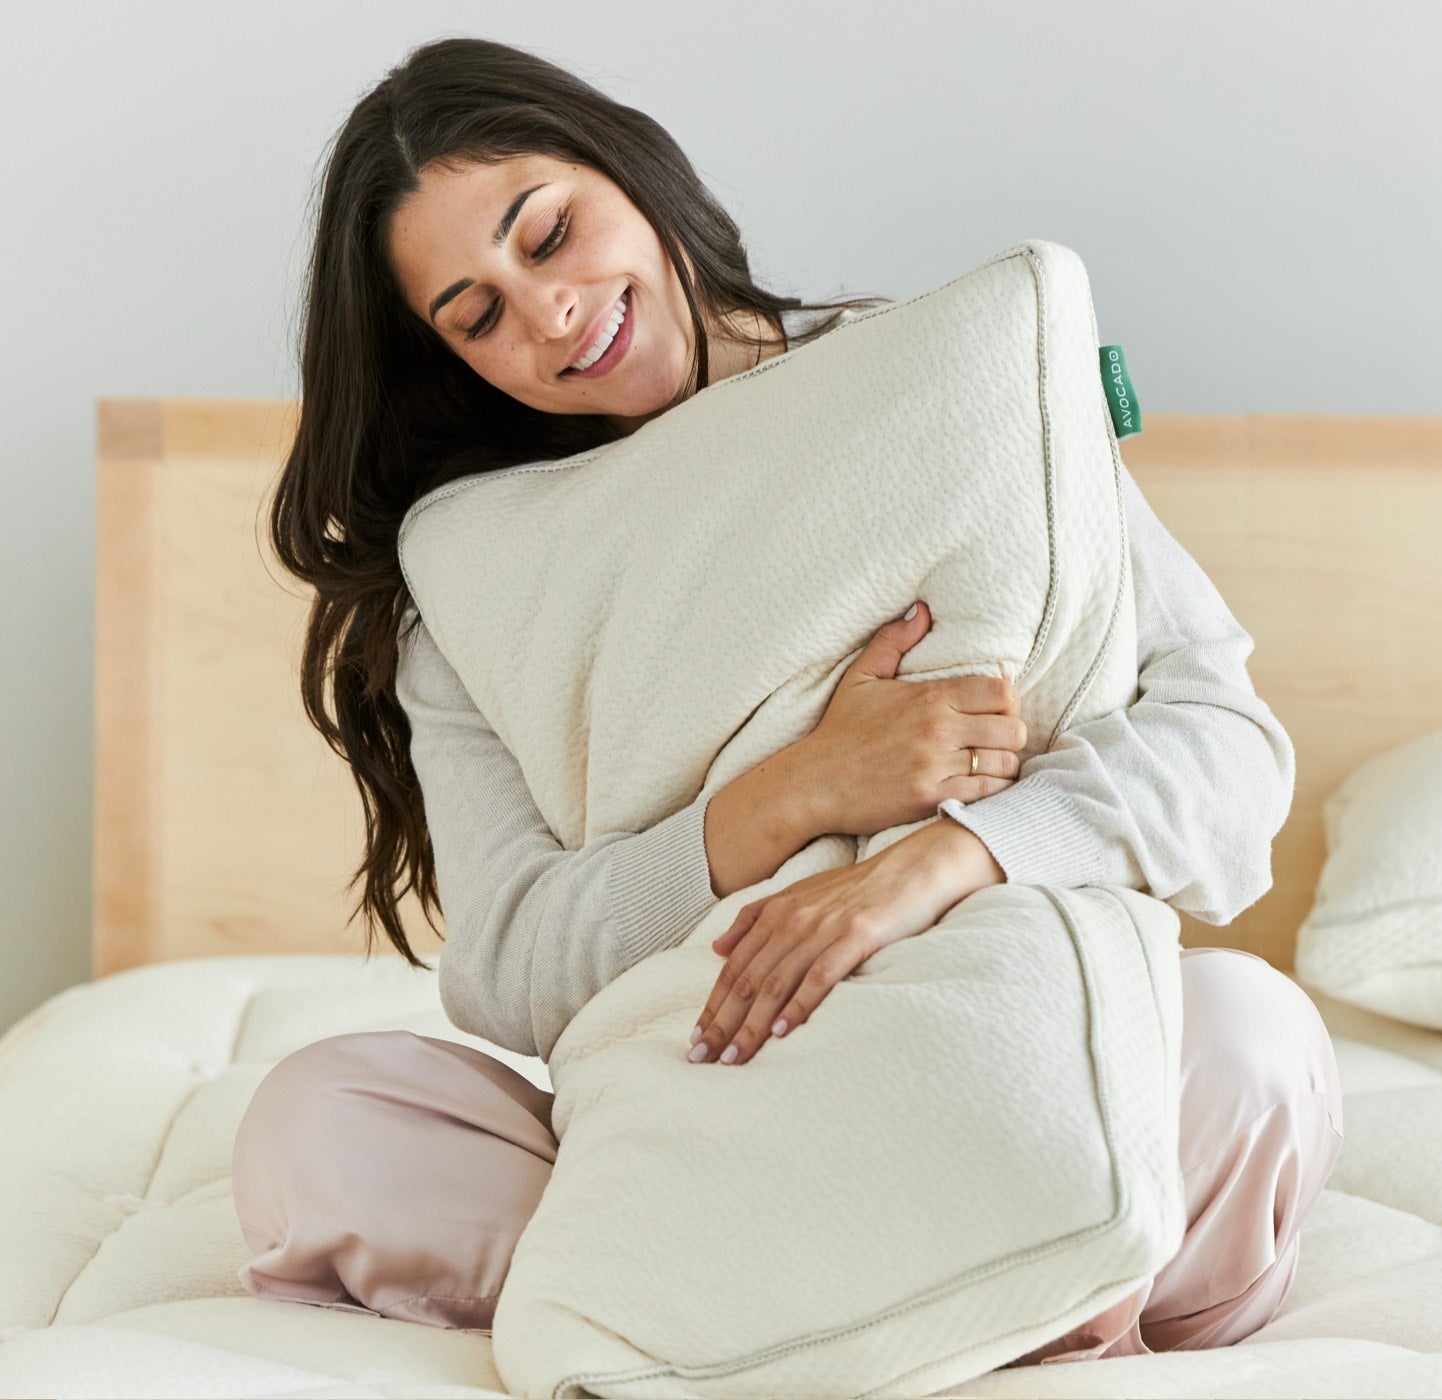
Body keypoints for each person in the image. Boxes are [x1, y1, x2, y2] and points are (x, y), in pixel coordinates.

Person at [232, 35, 1343, 1363]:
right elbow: (517, 970)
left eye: (550, 234)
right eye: (474, 316)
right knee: (323, 1117)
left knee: (1250, 1035)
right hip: (701, 1078)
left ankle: (849, 1289)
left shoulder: (960, 385)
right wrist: (791, 795)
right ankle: (959, 1298)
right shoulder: (477, 581)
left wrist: (944, 858)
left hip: (1002, 1017)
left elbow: (1224, 746)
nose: (547, 314)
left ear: (630, 173)